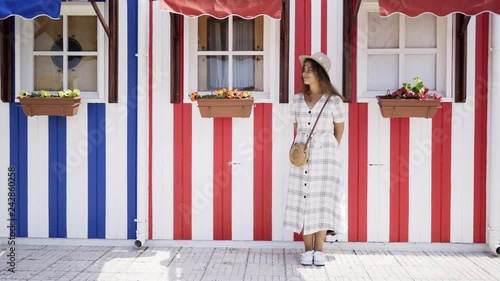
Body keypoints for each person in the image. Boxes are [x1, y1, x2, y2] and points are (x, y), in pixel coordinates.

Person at [284, 52, 347, 266]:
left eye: (310, 69)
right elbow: (297, 129)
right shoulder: (297, 100)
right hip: (302, 155)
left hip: (326, 158)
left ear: (320, 73)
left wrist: (327, 150)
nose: (305, 73)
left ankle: (319, 250)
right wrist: (302, 149)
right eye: (305, 69)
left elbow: (339, 130)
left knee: (322, 200)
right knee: (303, 198)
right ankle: (307, 249)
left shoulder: (334, 101)